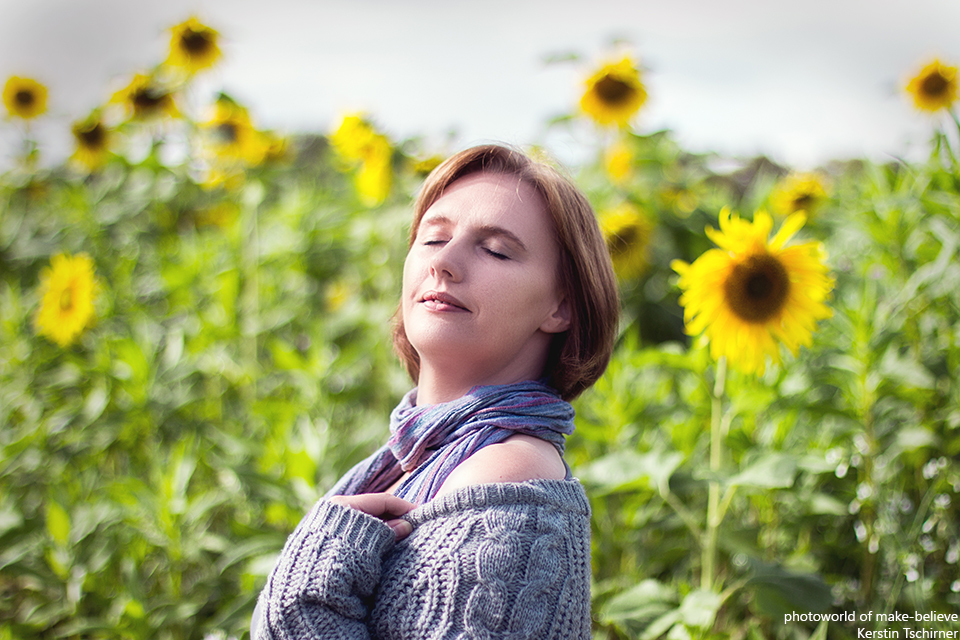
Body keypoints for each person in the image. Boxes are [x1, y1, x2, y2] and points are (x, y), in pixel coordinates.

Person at [252, 143, 620, 639]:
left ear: (561, 307)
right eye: (432, 239)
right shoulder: (410, 461)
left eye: (495, 249)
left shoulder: (507, 479)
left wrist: (300, 603)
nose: (443, 262)